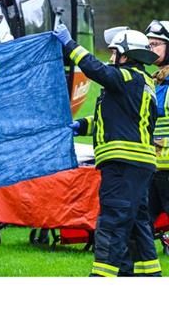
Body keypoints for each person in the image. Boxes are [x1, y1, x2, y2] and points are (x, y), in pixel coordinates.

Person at [59, 23, 161, 276]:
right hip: (139, 165)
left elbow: (97, 69)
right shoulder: (142, 83)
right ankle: (147, 275)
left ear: (126, 56)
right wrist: (82, 125)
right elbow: (118, 120)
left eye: (115, 52)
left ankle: (102, 276)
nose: (111, 57)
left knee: (112, 221)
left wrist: (69, 44)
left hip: (123, 164)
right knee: (137, 224)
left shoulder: (126, 77)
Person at [145, 20, 169, 255]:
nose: (151, 49)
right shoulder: (154, 79)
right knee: (142, 215)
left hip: (167, 166)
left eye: (156, 45)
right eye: (148, 45)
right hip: (152, 164)